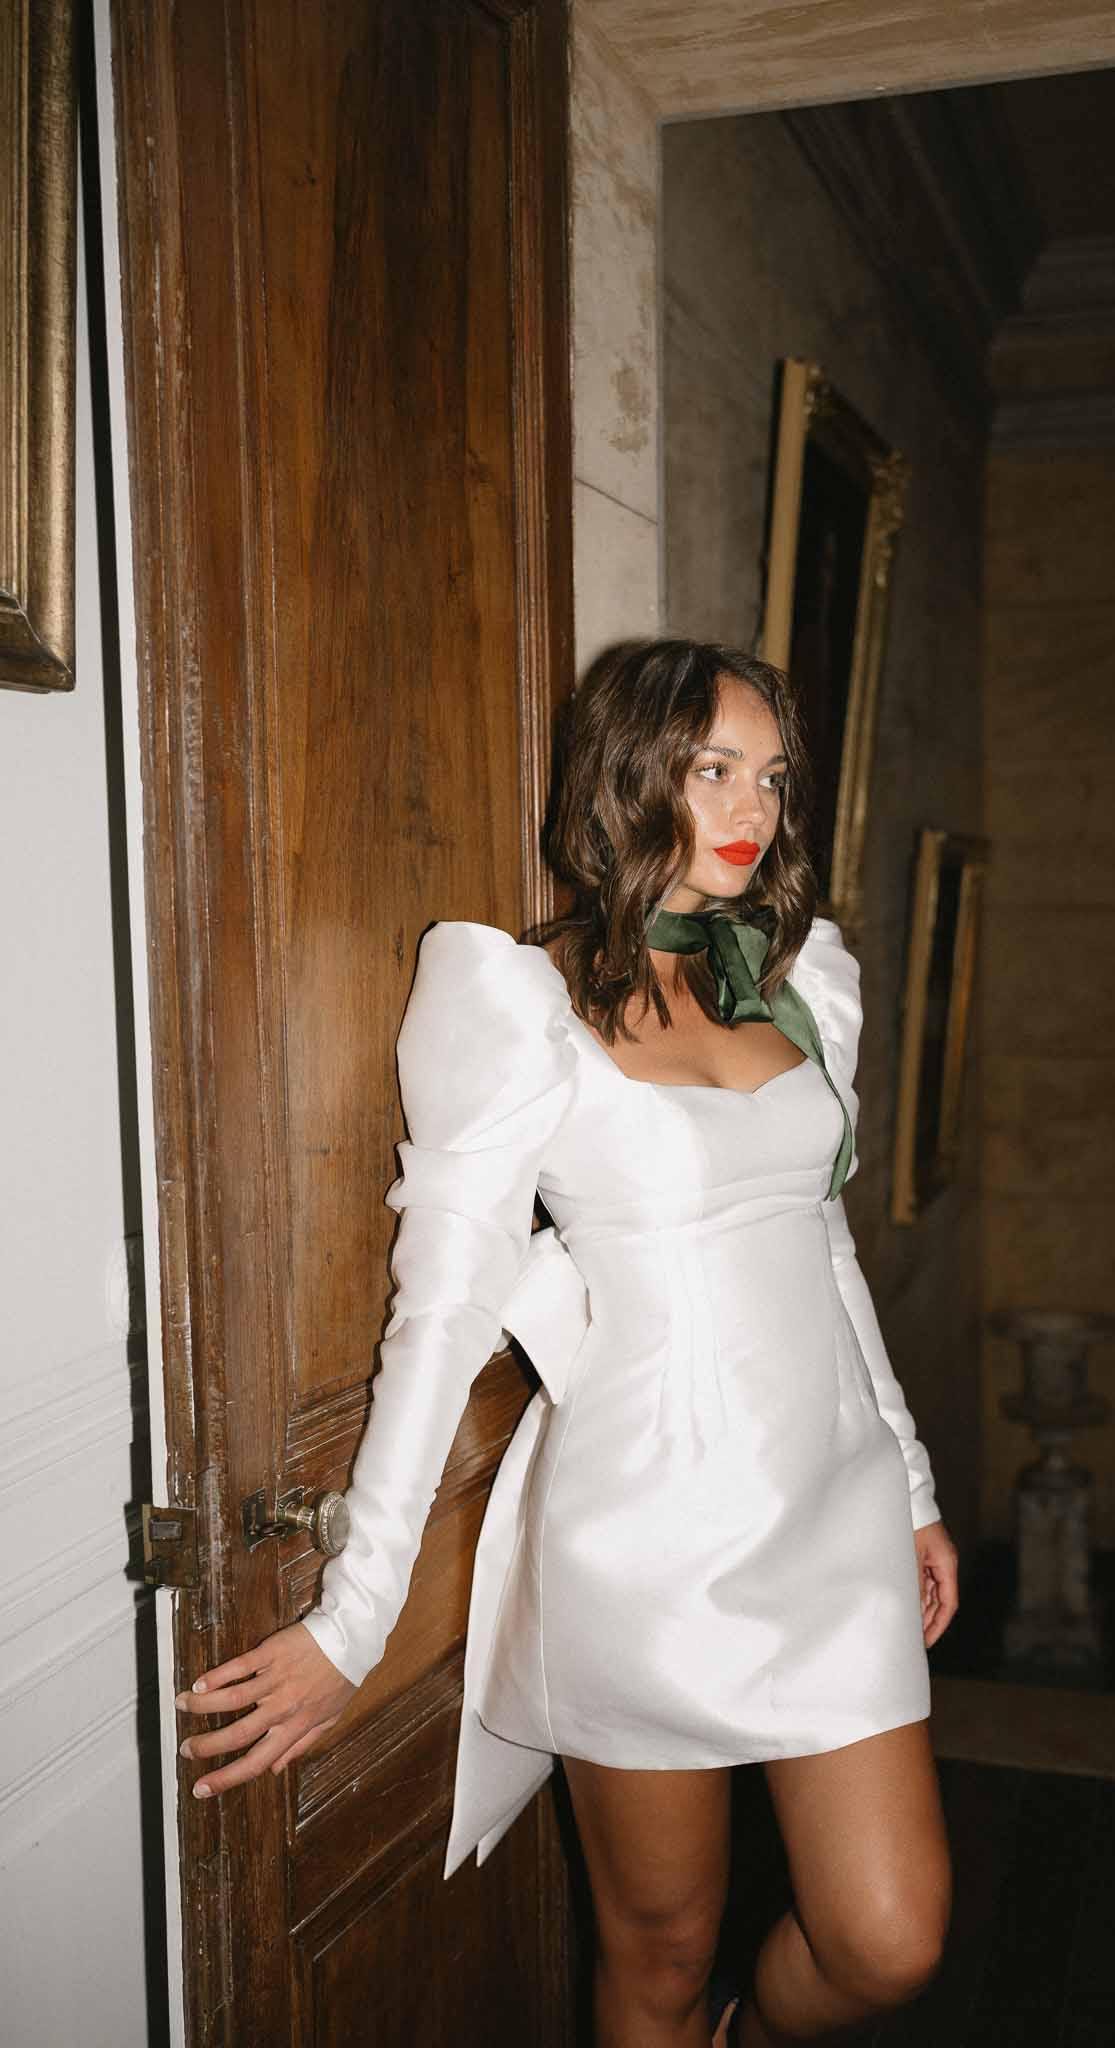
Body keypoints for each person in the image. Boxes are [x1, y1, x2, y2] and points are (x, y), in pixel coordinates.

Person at [173, 639, 959, 2046]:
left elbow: (821, 1250)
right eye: (711, 768)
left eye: (770, 778)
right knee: (654, 1953)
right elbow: (444, 1312)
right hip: (644, 1537)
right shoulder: (518, 1003)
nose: (750, 809)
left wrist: (906, 1486)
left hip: (829, 1516)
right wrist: (355, 1617)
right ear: (626, 774)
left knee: (887, 1938)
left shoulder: (789, 982)